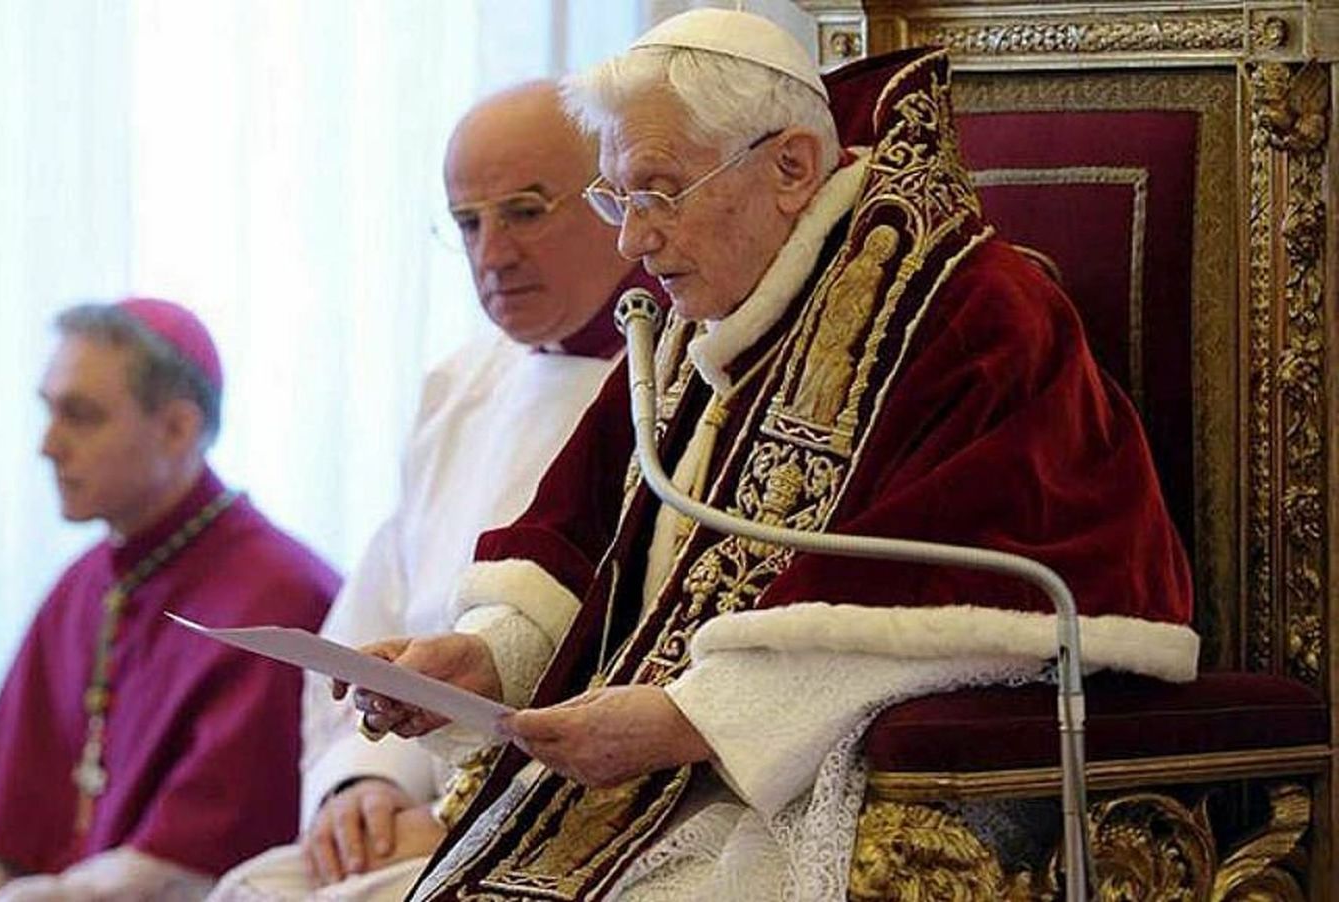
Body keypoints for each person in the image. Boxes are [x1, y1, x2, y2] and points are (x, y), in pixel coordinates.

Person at [352, 10, 1199, 901]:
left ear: (791, 166)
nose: (632, 243)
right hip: (660, 787)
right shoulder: (697, 315)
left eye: (658, 191)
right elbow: (583, 537)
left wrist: (693, 718)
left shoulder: (973, 314)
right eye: (616, 199)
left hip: (819, 789)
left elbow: (996, 598)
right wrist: (488, 657)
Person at [208, 80, 665, 902]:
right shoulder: (458, 387)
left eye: (525, 211)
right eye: (467, 222)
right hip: (418, 805)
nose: (491, 254)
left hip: (573, 817)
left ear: (618, 199)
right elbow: (372, 624)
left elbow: (652, 666)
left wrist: (471, 814)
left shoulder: (679, 389)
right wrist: (362, 783)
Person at [0, 298, 337, 901]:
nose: (48, 445)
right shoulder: (85, 583)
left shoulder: (279, 600)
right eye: (48, 412)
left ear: (178, 428)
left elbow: (187, 869)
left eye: (80, 416)